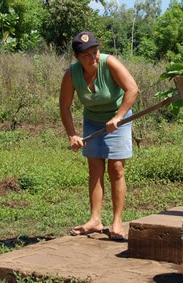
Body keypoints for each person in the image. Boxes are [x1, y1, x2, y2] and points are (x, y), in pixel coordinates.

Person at [59, 31, 139, 240]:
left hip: (118, 119)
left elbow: (132, 89)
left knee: (116, 168)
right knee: (95, 168)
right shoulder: (72, 74)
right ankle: (95, 220)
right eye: (86, 55)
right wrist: (72, 135)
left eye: (95, 52)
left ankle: (117, 221)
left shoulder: (109, 63)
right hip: (93, 121)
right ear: (77, 57)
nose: (92, 57)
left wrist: (118, 117)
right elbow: (65, 106)